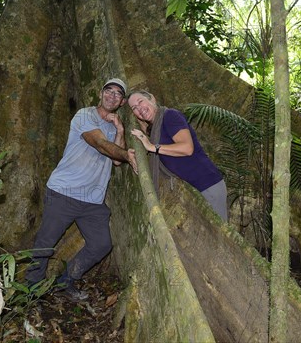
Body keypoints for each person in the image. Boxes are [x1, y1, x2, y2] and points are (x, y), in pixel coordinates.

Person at [25, 78, 137, 301]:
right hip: (64, 192)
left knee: (101, 244)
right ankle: (31, 292)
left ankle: (64, 282)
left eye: (117, 94)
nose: (112, 96)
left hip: (92, 201)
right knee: (45, 244)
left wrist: (120, 130)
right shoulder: (85, 115)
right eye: (109, 91)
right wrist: (127, 155)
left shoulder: (113, 126)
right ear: (100, 93)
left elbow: (115, 161)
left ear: (122, 102)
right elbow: (101, 145)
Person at [128, 90, 228, 221]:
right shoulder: (156, 127)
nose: (139, 108)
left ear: (152, 99)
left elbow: (187, 148)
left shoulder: (170, 116)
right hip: (195, 189)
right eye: (134, 108)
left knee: (218, 237)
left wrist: (151, 147)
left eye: (140, 101)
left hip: (208, 184)